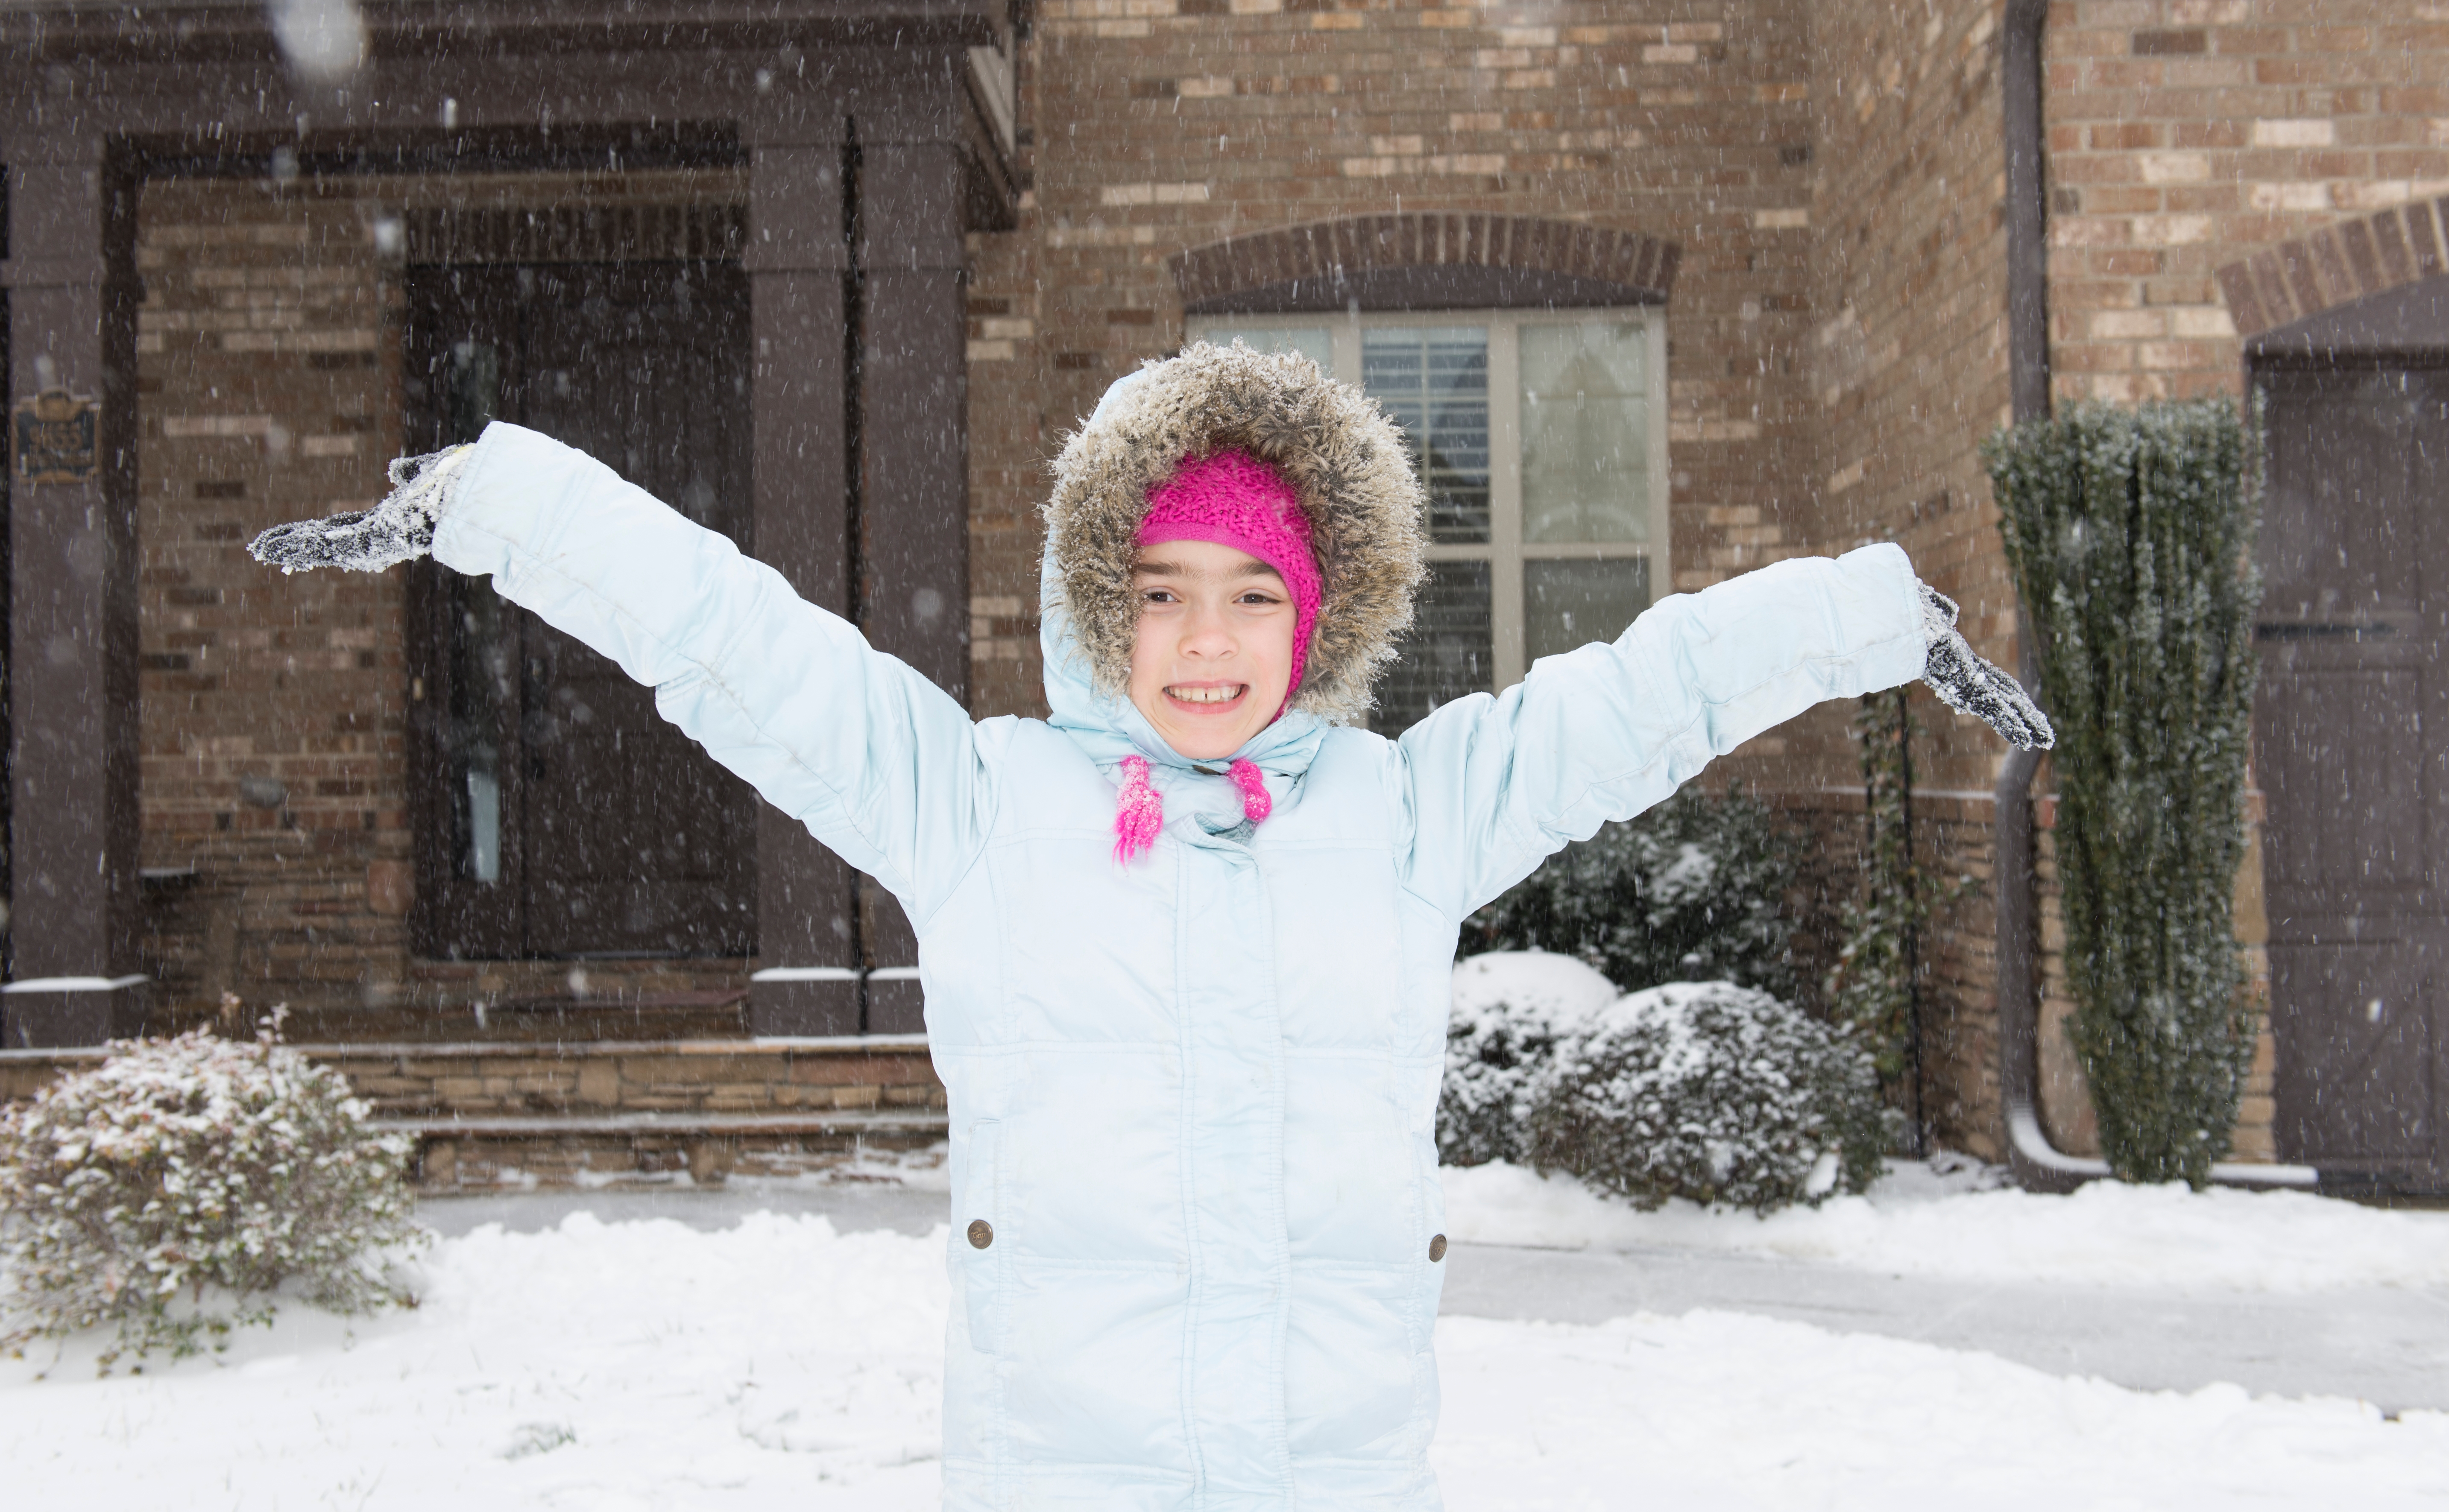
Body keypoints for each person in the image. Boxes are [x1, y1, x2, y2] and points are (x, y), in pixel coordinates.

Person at [253, 339, 2048, 1509]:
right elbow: (742, 647)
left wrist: (1872, 616)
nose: (1208, 640)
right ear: (1096, 603)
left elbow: (1637, 697)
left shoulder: (1408, 820)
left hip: (1336, 1474)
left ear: (1322, 614)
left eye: (1256, 591)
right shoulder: (977, 808)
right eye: (1164, 592)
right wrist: (495, 504)